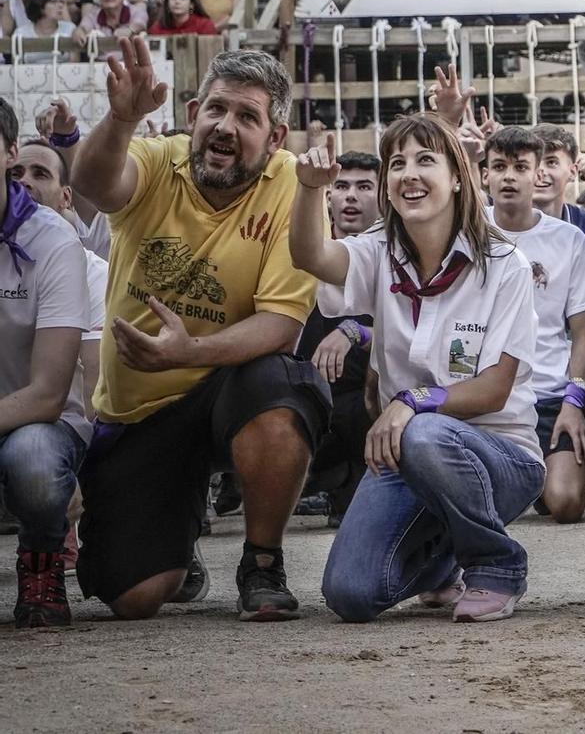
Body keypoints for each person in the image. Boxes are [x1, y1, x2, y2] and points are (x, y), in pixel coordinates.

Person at [69, 45, 329, 621]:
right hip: (139, 412)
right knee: (132, 598)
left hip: (227, 391)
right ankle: (178, 547)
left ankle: (262, 562)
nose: (225, 127)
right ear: (193, 115)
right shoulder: (156, 158)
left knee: (282, 383)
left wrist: (189, 352)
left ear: (275, 137)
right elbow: (92, 183)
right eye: (217, 109)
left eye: (247, 116)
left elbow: (282, 323)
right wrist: (121, 118)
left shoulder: (294, 184)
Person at [290, 119, 546, 622]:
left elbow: (494, 391)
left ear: (458, 178)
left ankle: (497, 564)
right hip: (408, 455)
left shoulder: (505, 264)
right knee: (350, 594)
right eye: (397, 163)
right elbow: (310, 255)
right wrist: (308, 189)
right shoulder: (377, 250)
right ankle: (441, 564)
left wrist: (411, 402)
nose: (409, 173)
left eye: (426, 160)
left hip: (502, 457)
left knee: (425, 431)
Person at [481, 127, 585, 524]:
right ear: (484, 174)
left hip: (550, 396)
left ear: (536, 173)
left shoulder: (569, 239)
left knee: (567, 504)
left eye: (520, 167)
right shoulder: (464, 231)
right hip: (485, 398)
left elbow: (583, 335)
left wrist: (574, 401)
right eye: (498, 167)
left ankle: (557, 466)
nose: (508, 176)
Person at [0, 98, 91, 626]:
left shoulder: (53, 239)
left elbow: (49, 392)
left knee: (33, 460)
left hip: (42, 424)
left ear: (9, 153)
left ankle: (41, 556)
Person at [294, 151, 380, 528]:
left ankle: (346, 482)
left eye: (364, 187)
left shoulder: (398, 256)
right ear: (328, 196)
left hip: (367, 403)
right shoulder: (301, 252)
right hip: (305, 398)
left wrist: (354, 332)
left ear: (384, 196)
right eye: (342, 186)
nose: (351, 196)